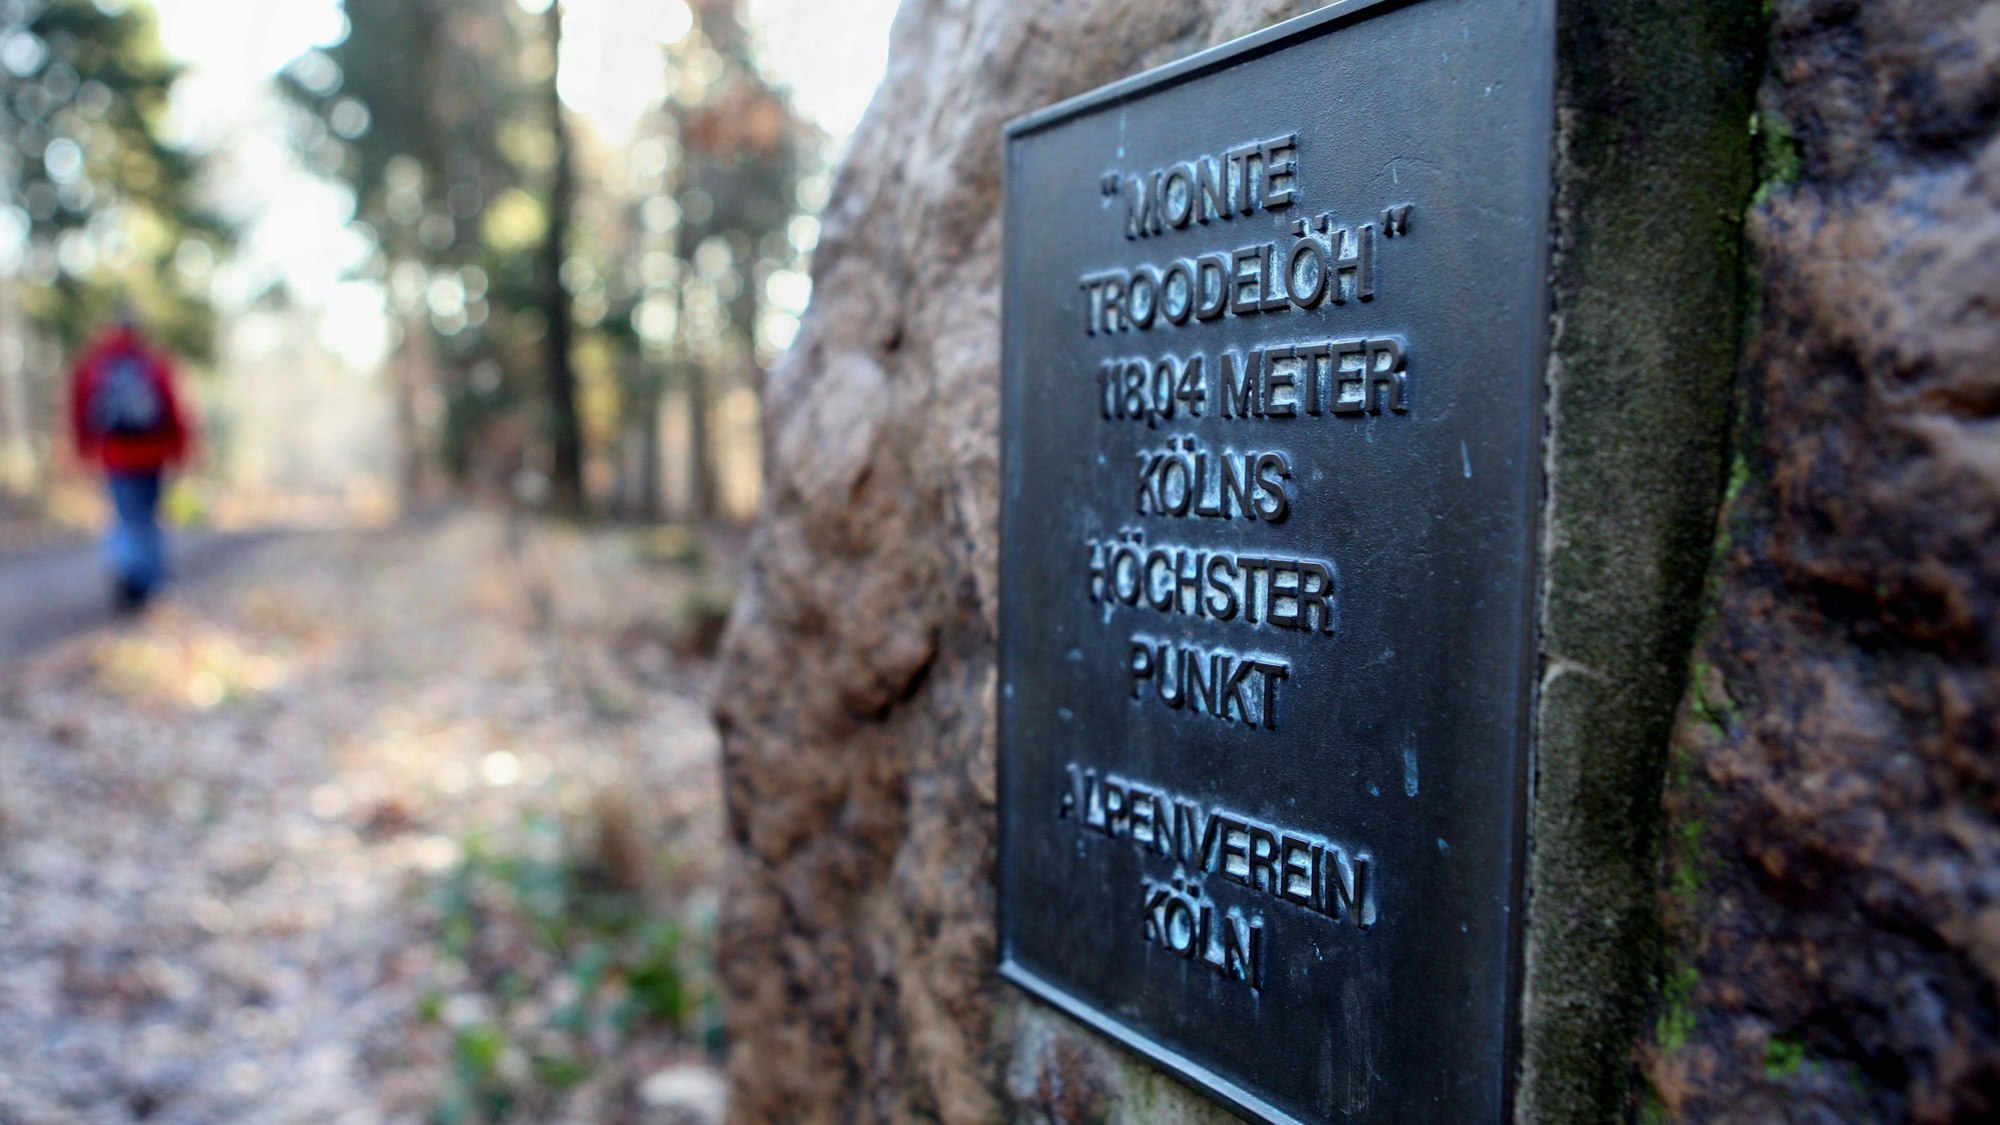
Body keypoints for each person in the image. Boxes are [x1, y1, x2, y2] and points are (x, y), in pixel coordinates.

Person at [68, 311, 192, 611]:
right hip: (153, 455)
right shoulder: (153, 362)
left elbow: (79, 408)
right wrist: (180, 449)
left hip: (115, 455)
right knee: (147, 518)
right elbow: (174, 409)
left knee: (124, 516)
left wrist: (84, 450)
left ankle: (128, 571)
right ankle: (148, 584)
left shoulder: (96, 364)